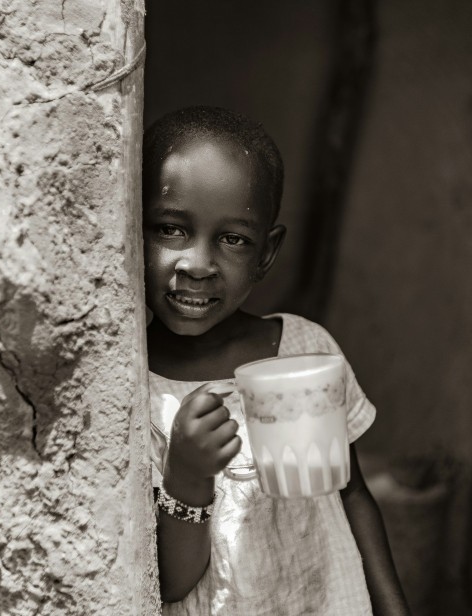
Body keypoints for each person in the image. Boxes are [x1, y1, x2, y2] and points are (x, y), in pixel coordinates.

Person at [143, 105, 410, 615]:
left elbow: (351, 495)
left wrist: (394, 608)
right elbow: (171, 583)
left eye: (233, 239)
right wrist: (187, 475)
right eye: (170, 229)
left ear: (266, 254)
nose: (198, 265)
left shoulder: (304, 348)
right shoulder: (131, 381)